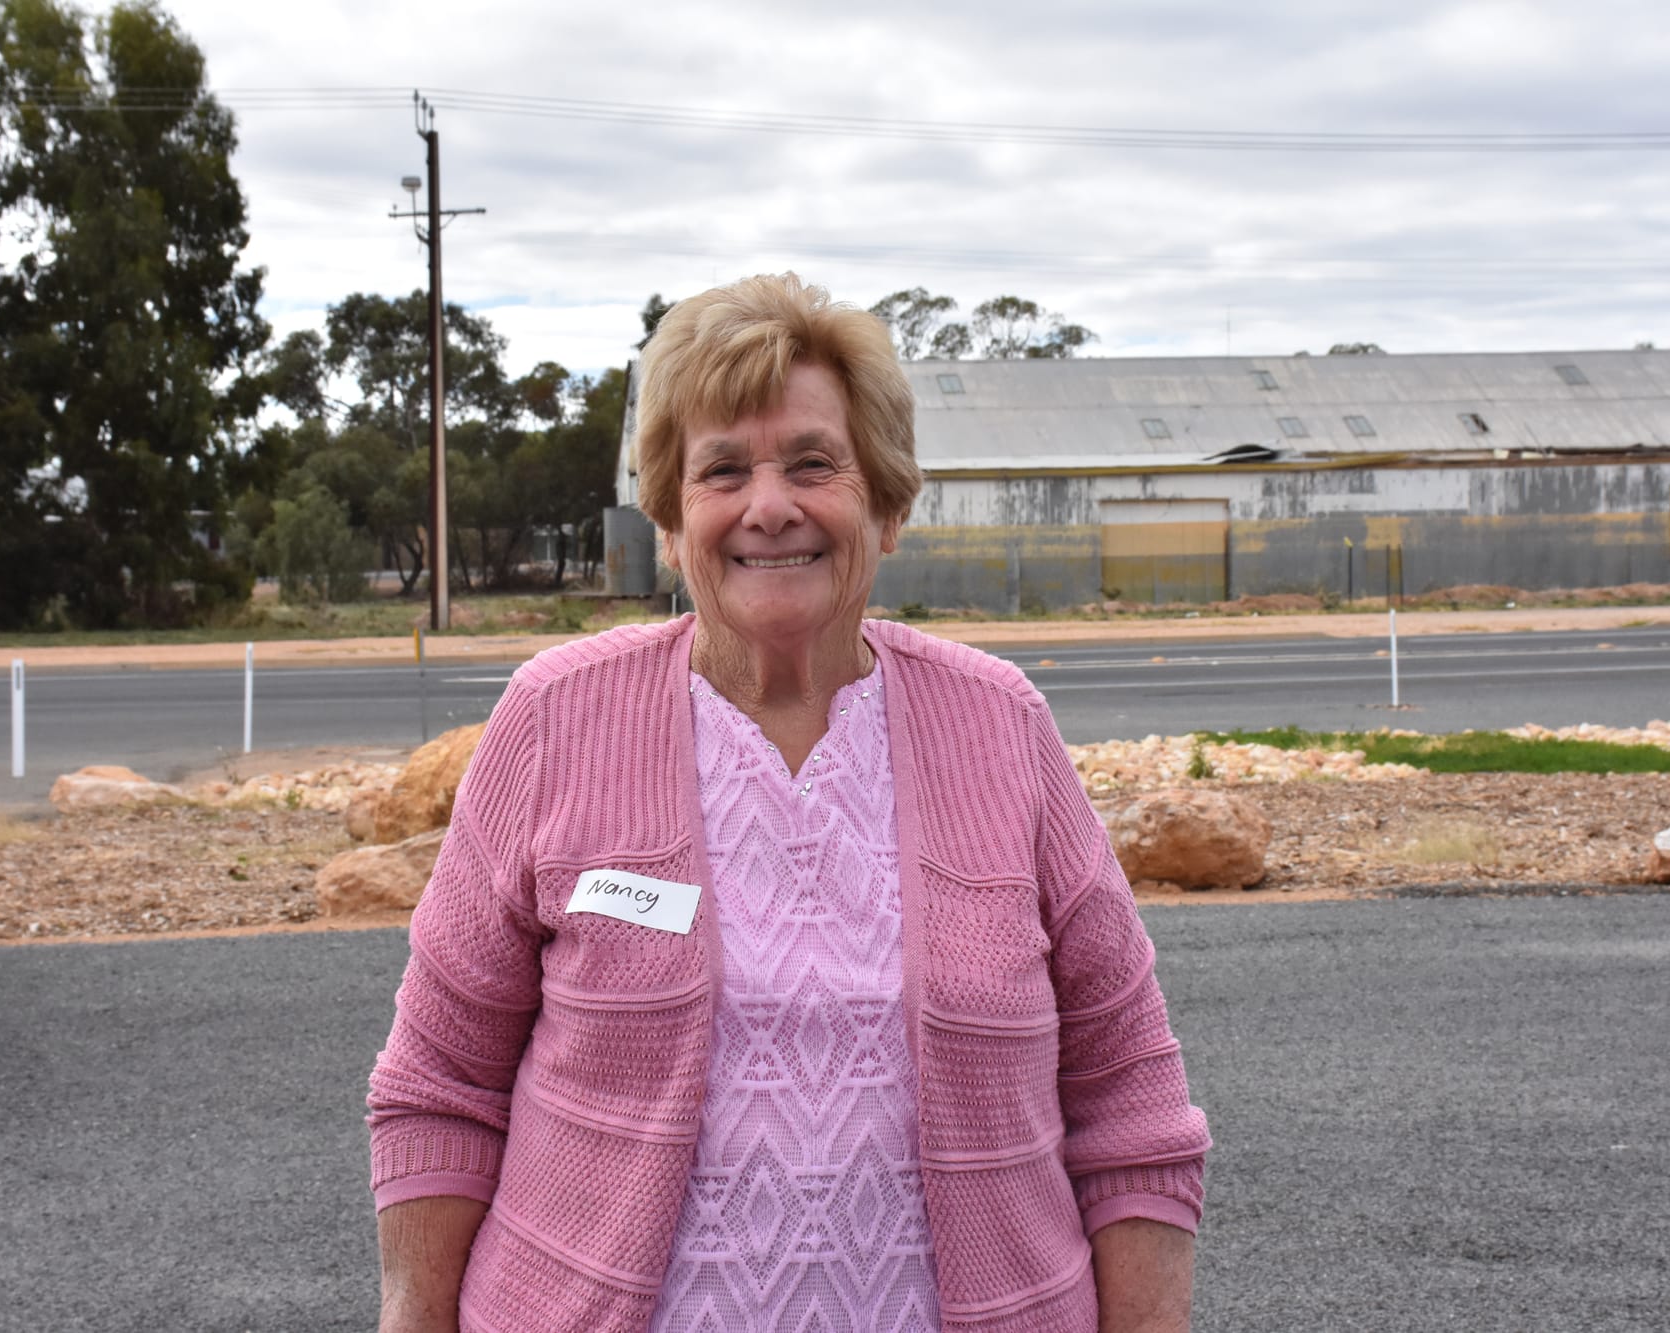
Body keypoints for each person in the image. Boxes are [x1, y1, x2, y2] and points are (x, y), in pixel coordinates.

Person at [368, 273, 1211, 1333]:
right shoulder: (555, 719)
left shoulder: (1000, 726)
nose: (769, 506)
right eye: (723, 470)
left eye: (813, 463)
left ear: (887, 504)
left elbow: (1131, 1104)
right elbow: (440, 1085)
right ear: (671, 519)